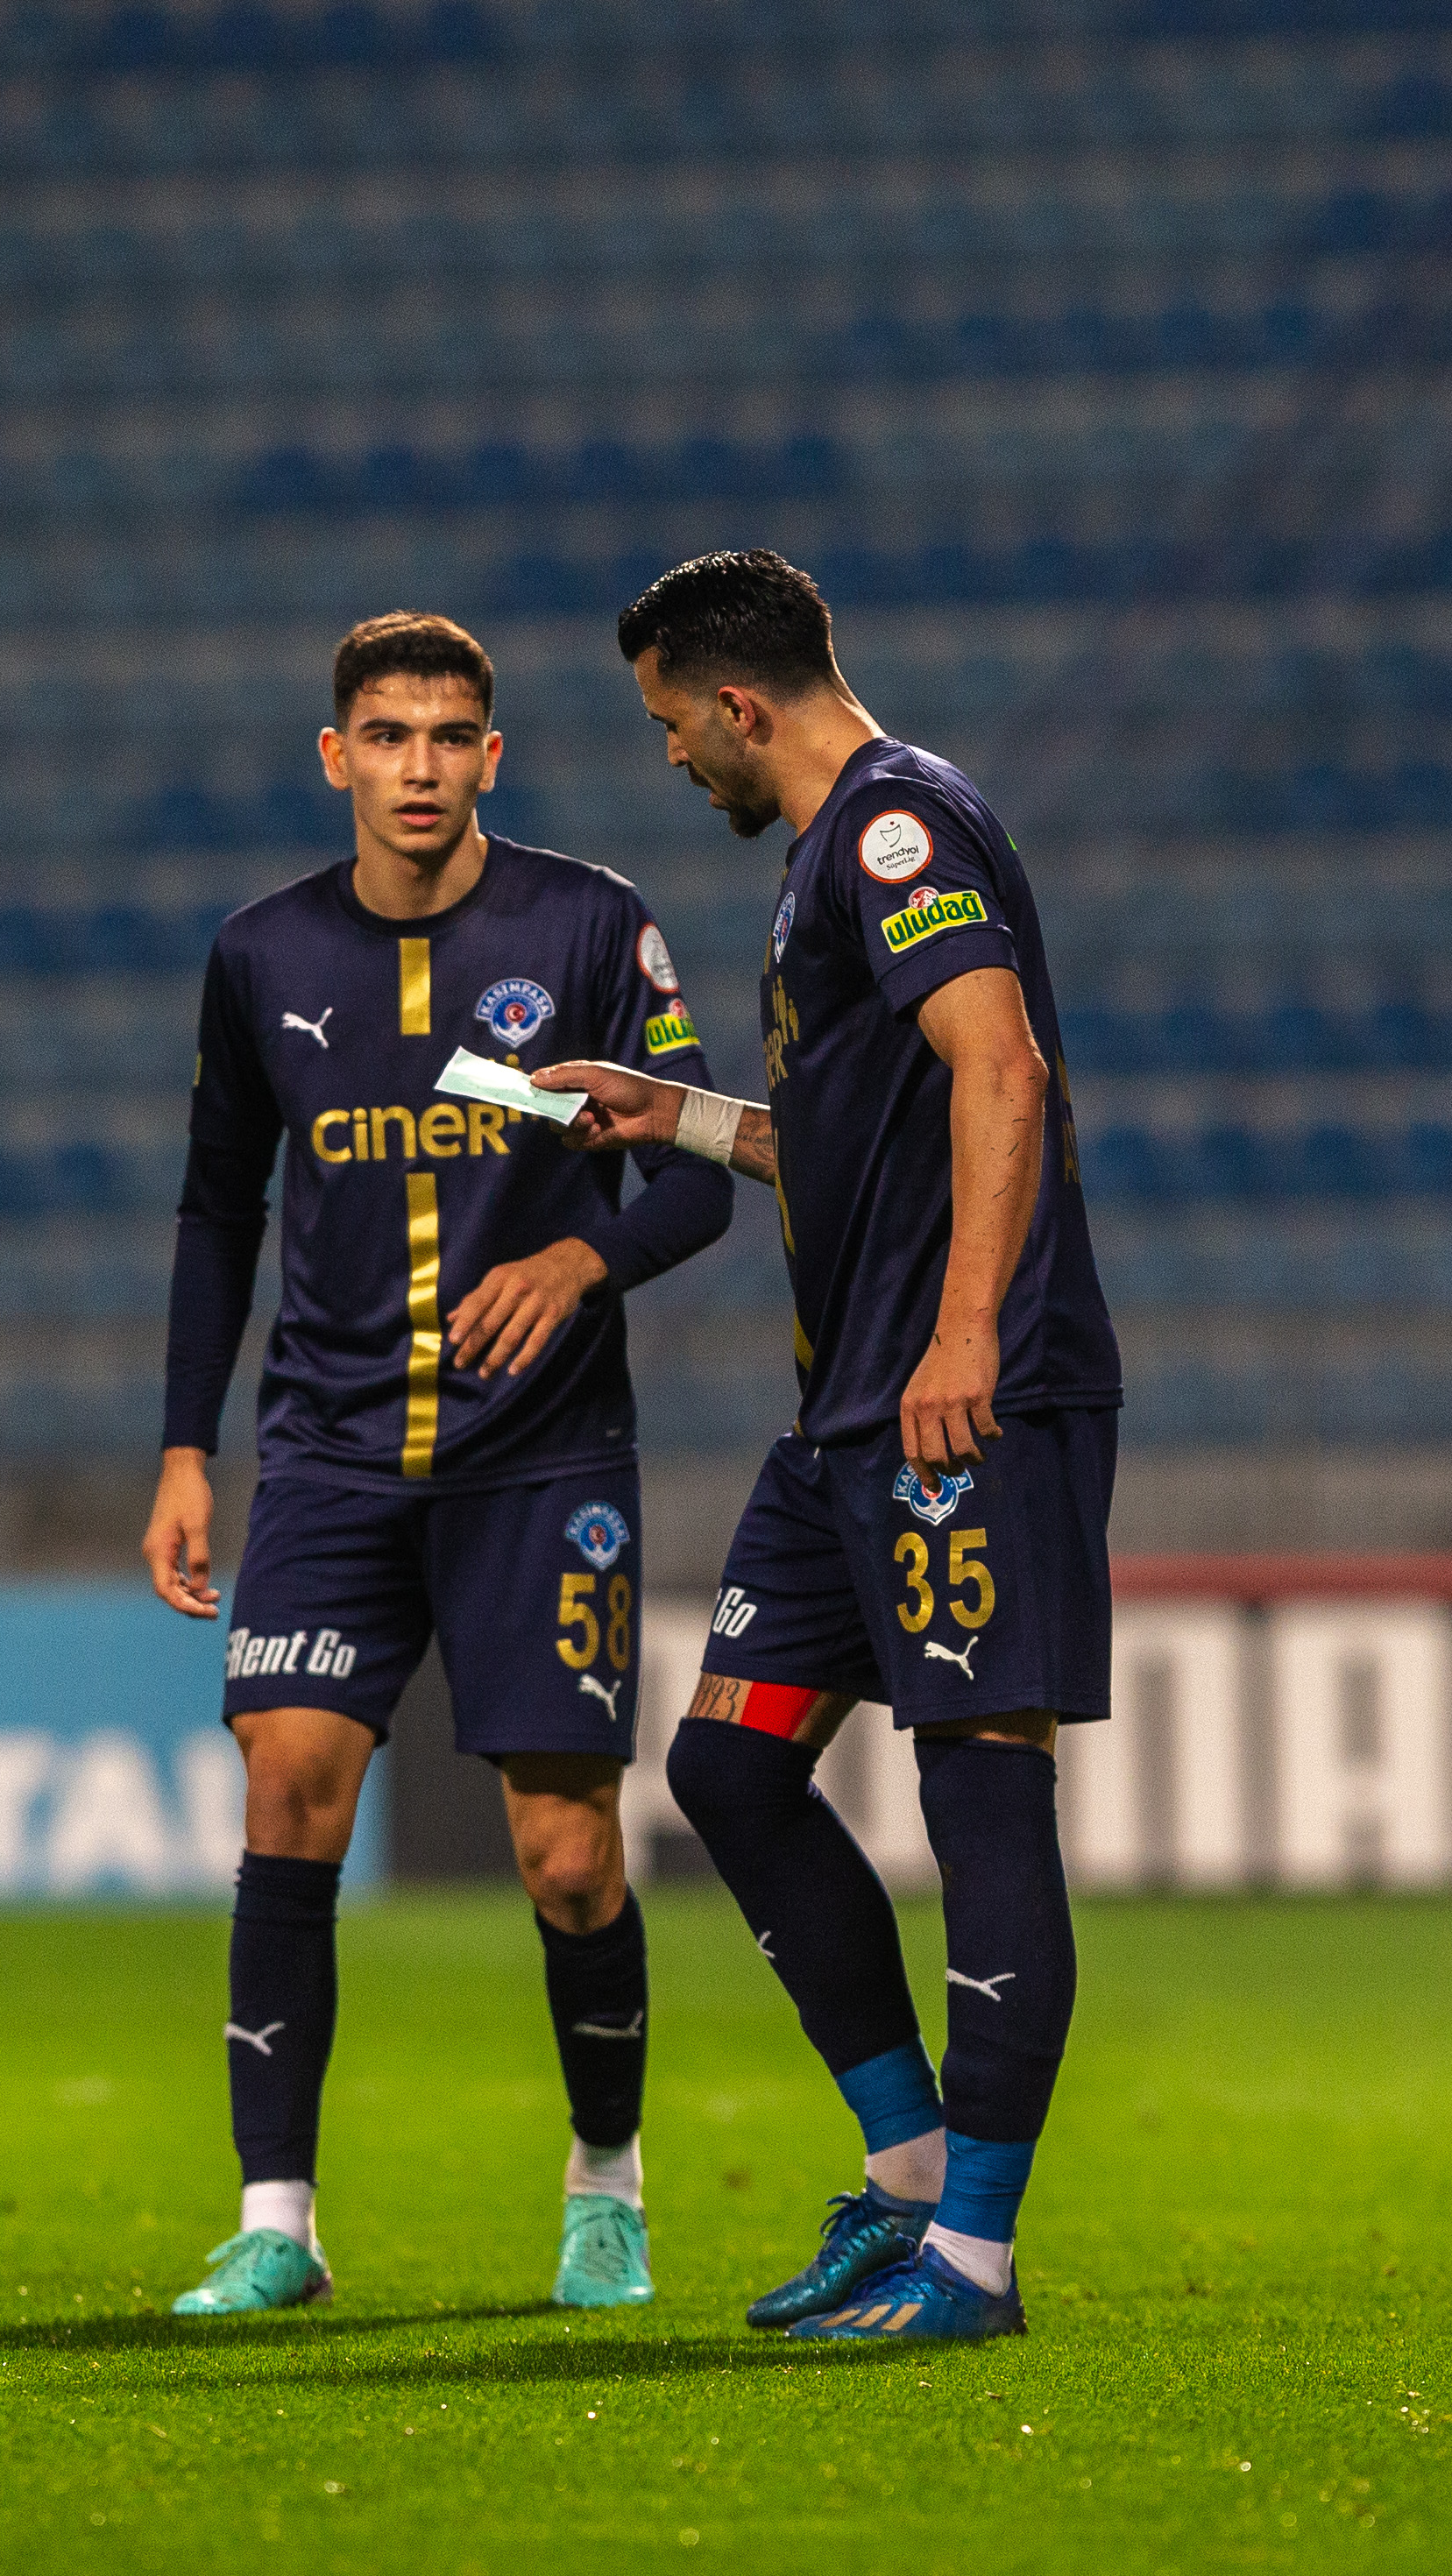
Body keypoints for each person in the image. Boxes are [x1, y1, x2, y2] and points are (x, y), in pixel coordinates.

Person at [535, 549, 1121, 2345]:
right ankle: (913, 2173)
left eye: (670, 725)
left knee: (979, 1778)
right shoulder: (820, 866)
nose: (669, 759)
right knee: (725, 1767)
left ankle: (975, 2263)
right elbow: (853, 1137)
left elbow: (1001, 1069)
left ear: (739, 705)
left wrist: (966, 1334)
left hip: (962, 1400)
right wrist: (677, 1116)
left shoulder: (892, 831)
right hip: (847, 1418)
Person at [143, 611, 734, 2317]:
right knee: (287, 1792)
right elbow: (217, 1209)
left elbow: (701, 1174)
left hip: (542, 1461)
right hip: (329, 1456)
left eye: (451, 736)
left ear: (493, 756)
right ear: (338, 757)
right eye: (389, 737)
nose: (421, 767)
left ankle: (606, 2185)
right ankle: (277, 2223)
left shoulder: (589, 928)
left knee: (569, 1856)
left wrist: (579, 1260)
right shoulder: (261, 955)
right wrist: (185, 1448)